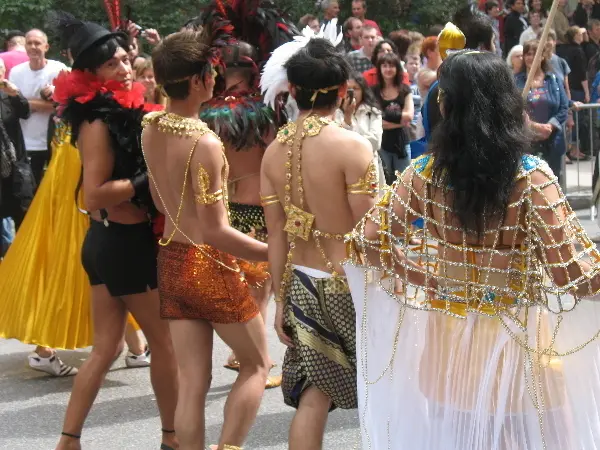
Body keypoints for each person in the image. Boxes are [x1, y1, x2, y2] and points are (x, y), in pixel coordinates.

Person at [344, 48, 600, 450]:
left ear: (445, 107)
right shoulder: (531, 178)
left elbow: (366, 243)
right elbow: (574, 275)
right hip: (519, 342)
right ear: (507, 103)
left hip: (447, 347)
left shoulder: (423, 174)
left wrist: (430, 279)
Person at [49, 14, 178, 450]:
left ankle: (68, 441)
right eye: (111, 65)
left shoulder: (115, 111)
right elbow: (94, 194)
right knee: (166, 344)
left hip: (108, 242)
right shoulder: (98, 122)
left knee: (105, 350)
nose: (123, 69)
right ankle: (173, 438)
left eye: (125, 59)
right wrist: (149, 178)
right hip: (122, 244)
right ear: (90, 73)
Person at [144, 27, 271, 450]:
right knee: (256, 365)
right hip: (210, 265)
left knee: (193, 383)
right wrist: (275, 253)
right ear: (198, 80)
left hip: (173, 261)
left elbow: (162, 204)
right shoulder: (204, 142)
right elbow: (216, 229)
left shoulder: (151, 127)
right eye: (211, 72)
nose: (216, 79)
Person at [260, 33, 378, 450]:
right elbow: (372, 228)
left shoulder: (273, 151)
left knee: (313, 395)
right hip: (353, 284)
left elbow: (275, 232)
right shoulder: (352, 146)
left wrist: (279, 300)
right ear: (344, 91)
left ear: (292, 90)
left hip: (302, 283)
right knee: (380, 387)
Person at [198, 0, 300, 390]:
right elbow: (276, 161)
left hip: (224, 210)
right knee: (259, 291)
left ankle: (238, 350)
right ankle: (251, 357)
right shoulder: (262, 113)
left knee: (236, 284)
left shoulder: (207, 112)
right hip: (259, 211)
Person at [423, 8, 495, 140]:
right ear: (484, 47)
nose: (495, 48)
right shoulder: (492, 89)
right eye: (494, 42)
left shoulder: (437, 87)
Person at [9, 29, 66, 188]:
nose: (33, 47)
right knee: (29, 191)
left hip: (54, 141)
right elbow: (14, 105)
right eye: (29, 43)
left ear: (46, 47)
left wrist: (27, 102)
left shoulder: (59, 69)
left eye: (37, 43)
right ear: (25, 46)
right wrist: (46, 104)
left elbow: (65, 105)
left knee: (54, 188)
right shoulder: (16, 72)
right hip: (26, 142)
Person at [516, 39, 569, 180]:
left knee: (552, 179)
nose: (530, 57)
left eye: (535, 53)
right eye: (527, 54)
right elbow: (513, 109)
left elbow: (564, 107)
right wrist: (533, 126)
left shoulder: (553, 81)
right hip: (527, 142)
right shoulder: (517, 81)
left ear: (543, 56)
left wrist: (550, 126)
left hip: (552, 141)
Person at [335, 72, 385, 183]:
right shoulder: (336, 113)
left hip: (369, 166)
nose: (353, 93)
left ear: (363, 90)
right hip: (346, 167)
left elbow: (376, 142)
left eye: (356, 89)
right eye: (349, 89)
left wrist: (350, 135)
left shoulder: (372, 112)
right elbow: (339, 143)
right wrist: (347, 118)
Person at [373, 53, 413, 184]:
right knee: (385, 181)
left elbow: (409, 116)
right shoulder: (374, 91)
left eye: (391, 66)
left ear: (397, 68)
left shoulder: (405, 90)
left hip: (401, 142)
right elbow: (377, 121)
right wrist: (400, 122)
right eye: (384, 66)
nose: (388, 69)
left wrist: (385, 117)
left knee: (405, 181)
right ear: (379, 68)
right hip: (382, 142)